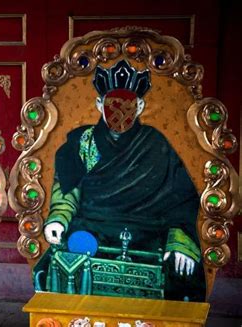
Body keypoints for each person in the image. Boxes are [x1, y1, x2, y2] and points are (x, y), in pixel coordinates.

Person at [39, 60, 205, 300]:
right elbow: (68, 189)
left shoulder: (155, 144)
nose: (120, 113)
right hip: (93, 229)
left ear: (139, 106)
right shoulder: (83, 142)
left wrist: (180, 242)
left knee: (182, 274)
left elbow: (180, 197)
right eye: (112, 105)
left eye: (127, 106)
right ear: (99, 104)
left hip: (147, 233)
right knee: (53, 269)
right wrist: (58, 219)